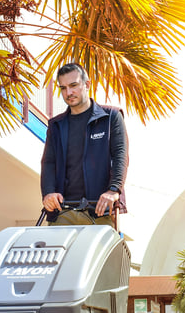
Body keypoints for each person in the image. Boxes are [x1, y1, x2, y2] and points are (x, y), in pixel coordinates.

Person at [40, 63, 128, 226]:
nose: (69, 93)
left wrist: (113, 190)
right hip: (63, 211)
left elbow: (120, 155)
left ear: (87, 84)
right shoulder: (56, 125)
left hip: (100, 211)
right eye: (63, 88)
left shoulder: (111, 117)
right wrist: (48, 193)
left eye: (73, 85)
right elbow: (48, 163)